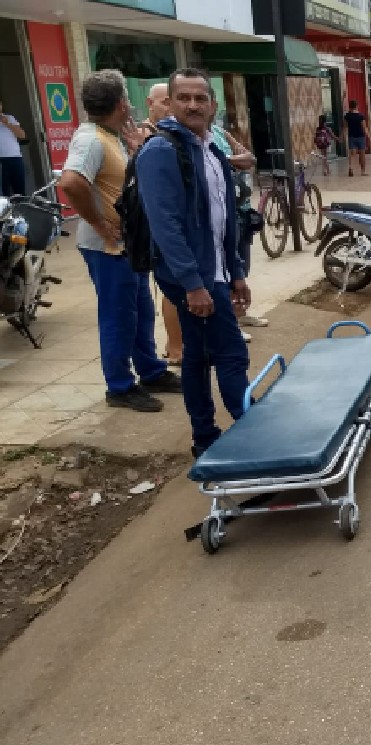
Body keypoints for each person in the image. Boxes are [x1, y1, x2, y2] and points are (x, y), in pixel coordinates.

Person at [135, 67, 250, 458]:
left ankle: (204, 438)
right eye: (183, 97)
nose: (193, 105)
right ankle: (257, 434)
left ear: (212, 104)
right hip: (192, 277)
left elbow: (223, 219)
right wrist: (193, 284)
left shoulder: (212, 149)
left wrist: (236, 272)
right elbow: (165, 225)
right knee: (232, 353)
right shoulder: (161, 151)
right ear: (169, 103)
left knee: (198, 357)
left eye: (200, 98)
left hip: (214, 270)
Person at [58, 69, 182, 413]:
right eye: (126, 97)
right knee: (118, 316)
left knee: (140, 311)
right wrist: (98, 223)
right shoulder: (91, 139)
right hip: (107, 249)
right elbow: (71, 182)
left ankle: (151, 371)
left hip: (128, 247)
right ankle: (120, 386)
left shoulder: (109, 134)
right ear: (120, 103)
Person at [208, 96, 265, 337]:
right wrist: (230, 161)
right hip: (221, 212)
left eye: (208, 102)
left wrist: (224, 160)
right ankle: (230, 322)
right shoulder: (195, 140)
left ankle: (241, 313)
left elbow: (249, 158)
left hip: (240, 211)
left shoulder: (219, 133)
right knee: (226, 270)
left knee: (242, 265)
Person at [137, 82, 185, 367]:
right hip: (159, 226)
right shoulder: (148, 136)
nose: (169, 107)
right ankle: (175, 347)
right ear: (150, 103)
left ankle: (178, 343)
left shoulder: (174, 134)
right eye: (164, 101)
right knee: (172, 288)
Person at [0, 97, 27, 197]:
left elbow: (22, 135)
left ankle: (21, 211)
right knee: (4, 192)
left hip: (16, 158)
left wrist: (7, 124)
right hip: (1, 160)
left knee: (20, 191)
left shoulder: (10, 118)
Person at [343, 99, 371, 177]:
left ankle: (351, 167)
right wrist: (368, 136)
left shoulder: (347, 116)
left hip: (351, 136)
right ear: (357, 106)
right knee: (362, 154)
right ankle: (363, 171)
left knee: (352, 153)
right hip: (361, 137)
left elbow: (345, 128)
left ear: (350, 107)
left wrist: (342, 137)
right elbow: (364, 127)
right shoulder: (361, 116)